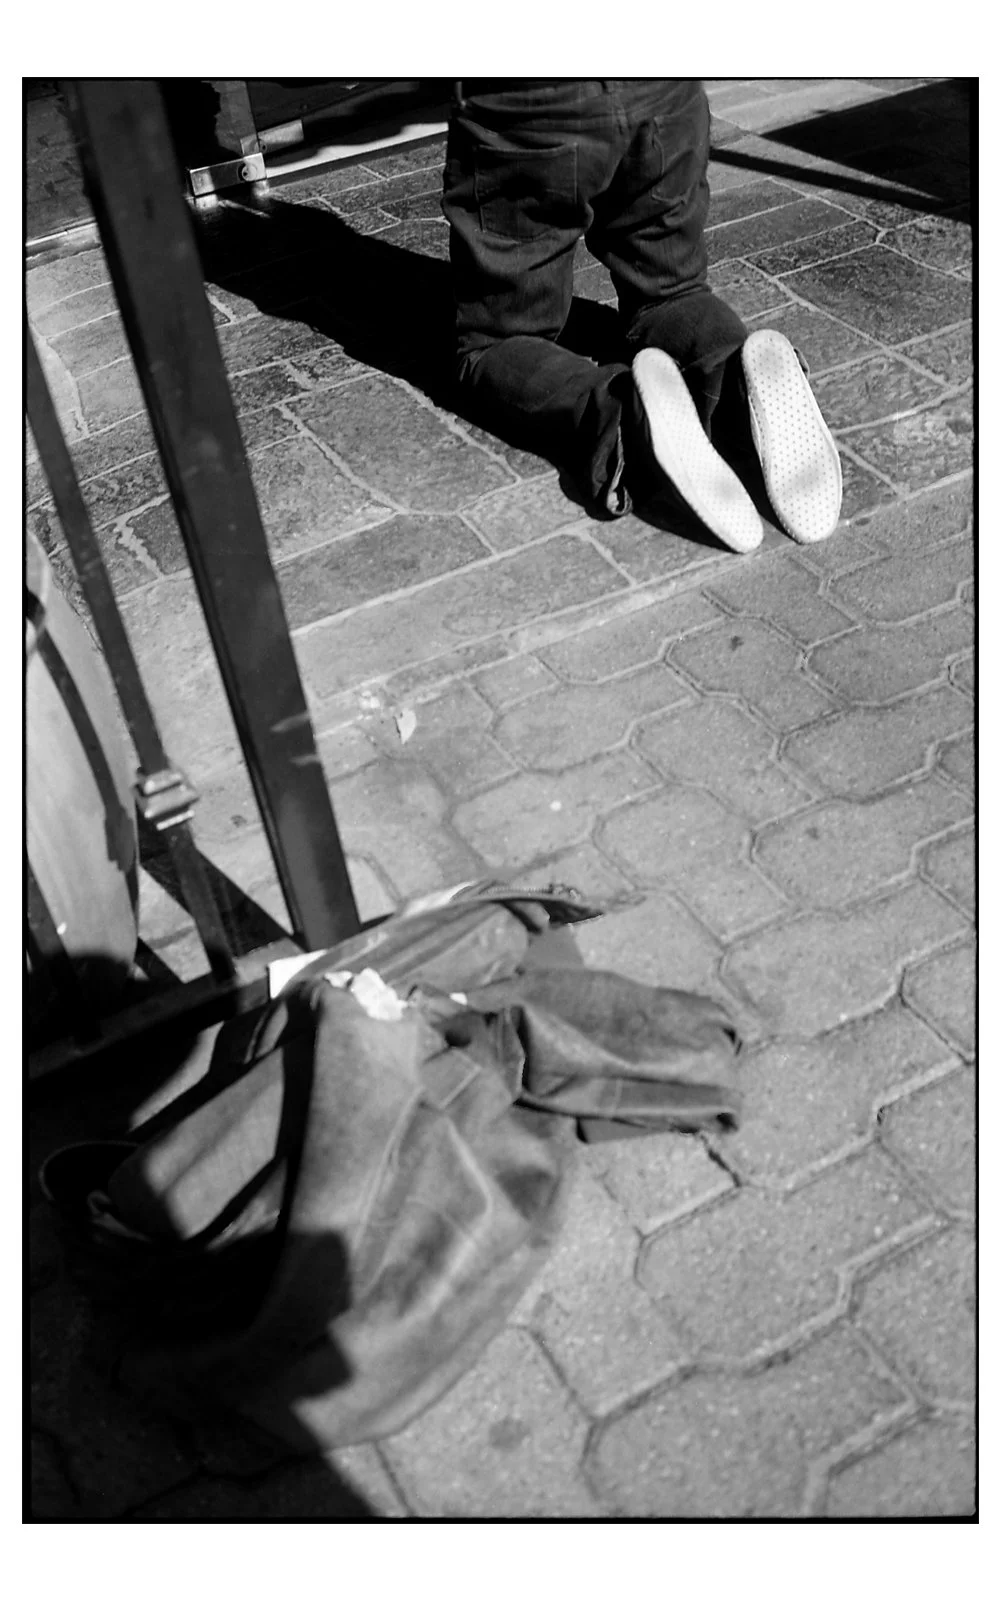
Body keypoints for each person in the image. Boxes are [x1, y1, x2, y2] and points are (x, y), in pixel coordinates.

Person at [442, 79, 842, 552]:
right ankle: (734, 374)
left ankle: (625, 414)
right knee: (672, 293)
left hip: (537, 107)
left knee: (495, 343)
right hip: (665, 90)